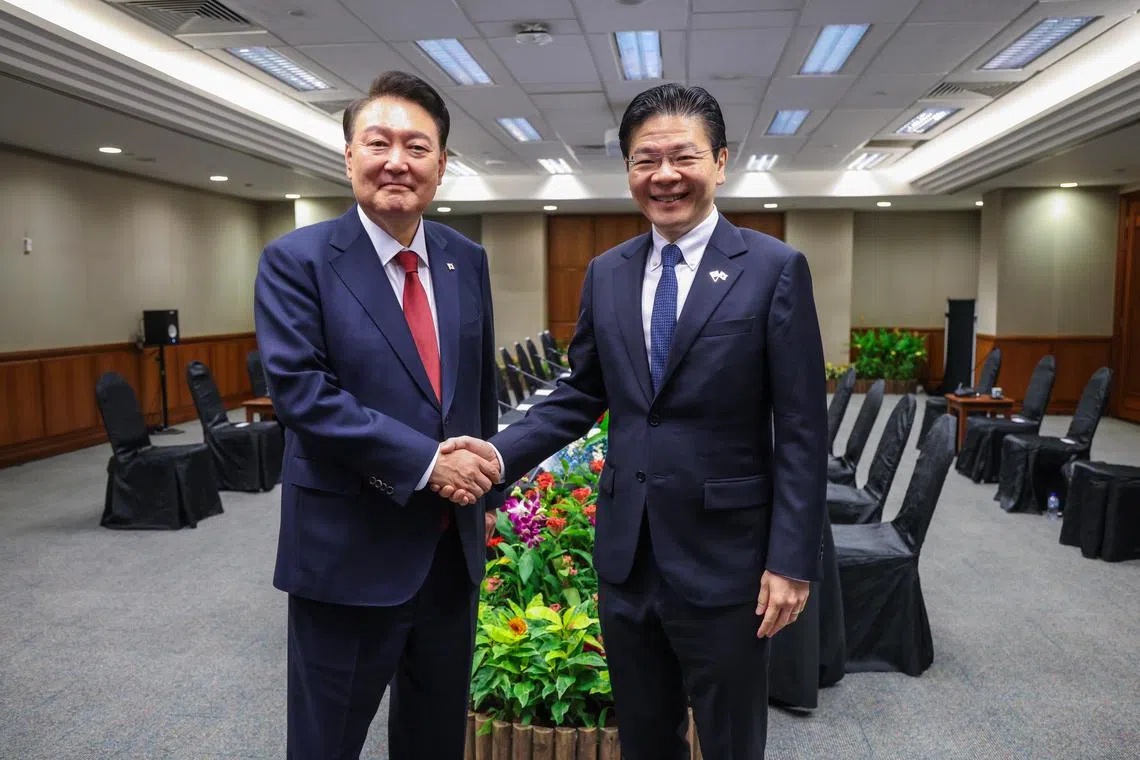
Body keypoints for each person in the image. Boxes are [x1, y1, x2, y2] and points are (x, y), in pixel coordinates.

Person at [439, 83, 827, 759]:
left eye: (684, 157)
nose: (665, 175)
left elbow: (801, 428)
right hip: (628, 557)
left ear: (720, 161)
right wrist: (497, 457)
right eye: (647, 160)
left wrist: (790, 560)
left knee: (732, 740)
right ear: (628, 169)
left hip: (727, 559)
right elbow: (580, 392)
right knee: (645, 739)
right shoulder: (607, 273)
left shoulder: (772, 270)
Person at [253, 70, 502, 760]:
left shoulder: (466, 259)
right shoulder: (296, 260)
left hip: (449, 550)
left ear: (442, 165)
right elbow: (303, 394)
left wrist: (484, 495)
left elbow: (477, 392)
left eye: (417, 147)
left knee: (433, 739)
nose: (397, 161)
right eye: (378, 143)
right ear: (348, 157)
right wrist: (427, 464)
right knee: (326, 742)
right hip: (347, 549)